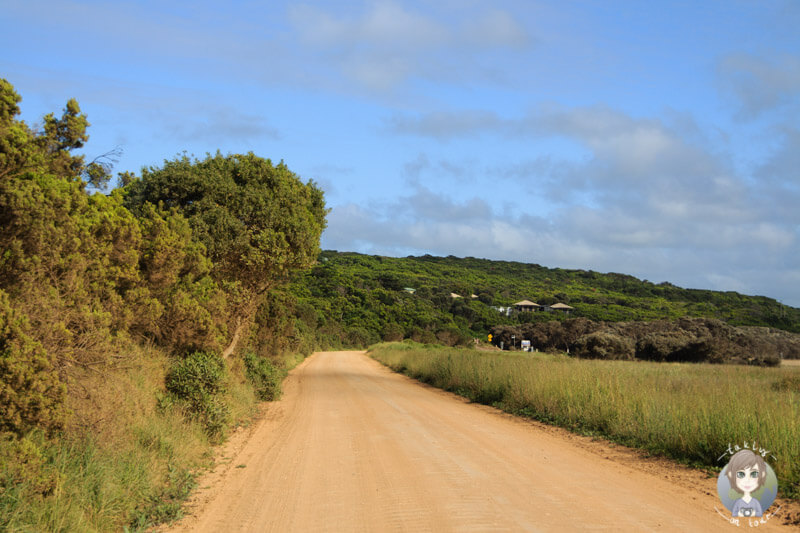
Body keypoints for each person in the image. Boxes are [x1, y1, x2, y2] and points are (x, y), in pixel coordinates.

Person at [725, 449, 767, 517]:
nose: (747, 480)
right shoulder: (738, 502)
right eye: (741, 474)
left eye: (754, 474)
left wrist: (751, 514)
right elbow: (734, 513)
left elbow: (759, 513)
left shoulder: (755, 502)